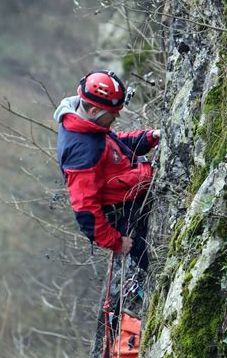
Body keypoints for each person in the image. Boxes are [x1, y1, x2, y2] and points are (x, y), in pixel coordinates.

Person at [54, 70, 160, 270]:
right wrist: (116, 242)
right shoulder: (81, 151)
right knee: (156, 266)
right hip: (125, 218)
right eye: (112, 113)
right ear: (94, 111)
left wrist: (149, 137)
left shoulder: (88, 127)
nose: (117, 115)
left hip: (133, 200)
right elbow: (85, 209)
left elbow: (115, 145)